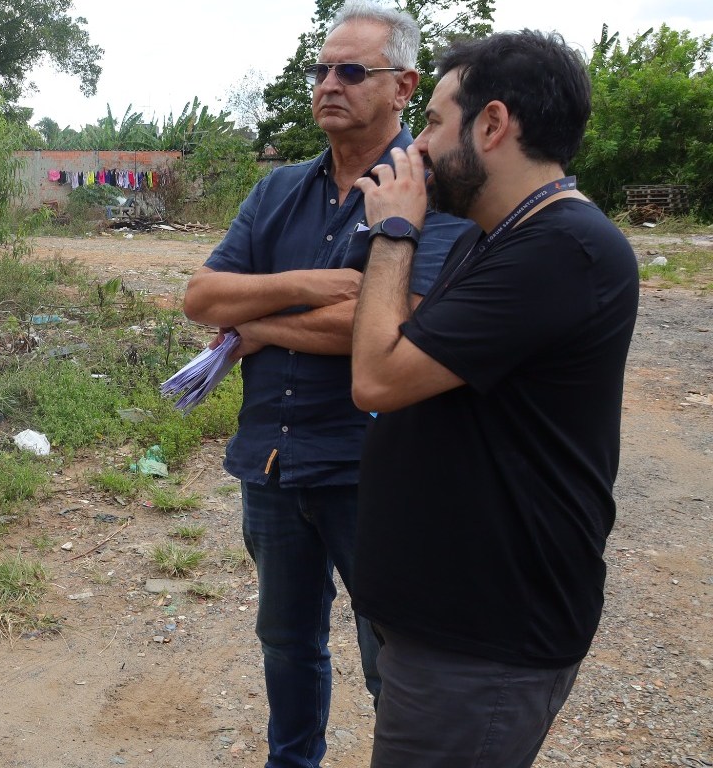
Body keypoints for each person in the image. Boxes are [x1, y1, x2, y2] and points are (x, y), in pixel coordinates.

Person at [180, 3, 472, 765]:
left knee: (393, 656)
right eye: (320, 70)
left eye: (351, 70)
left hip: (375, 469)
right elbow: (201, 299)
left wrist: (260, 325)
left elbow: (400, 325)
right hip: (273, 462)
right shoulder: (276, 190)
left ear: (404, 85)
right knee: (286, 643)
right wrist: (315, 284)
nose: (328, 84)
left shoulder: (432, 190)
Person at [349, 30, 637, 767]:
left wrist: (393, 231)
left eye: (434, 123)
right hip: (447, 626)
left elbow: (378, 377)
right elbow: (412, 355)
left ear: (493, 124)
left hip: (483, 641)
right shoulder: (500, 237)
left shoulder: (561, 250)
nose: (417, 146)